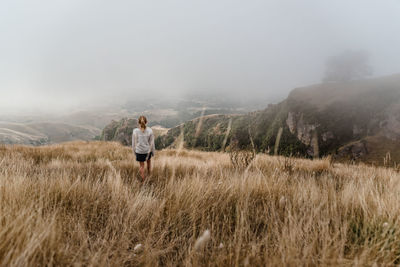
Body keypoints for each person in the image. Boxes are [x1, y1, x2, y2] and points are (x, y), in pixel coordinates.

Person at [132, 116, 155, 182]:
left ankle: (143, 181)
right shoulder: (150, 130)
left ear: (138, 122)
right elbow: (152, 143)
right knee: (149, 164)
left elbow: (133, 143)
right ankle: (149, 176)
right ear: (146, 122)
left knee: (141, 166)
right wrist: (153, 152)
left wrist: (134, 152)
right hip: (147, 151)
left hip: (139, 151)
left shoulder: (135, 131)